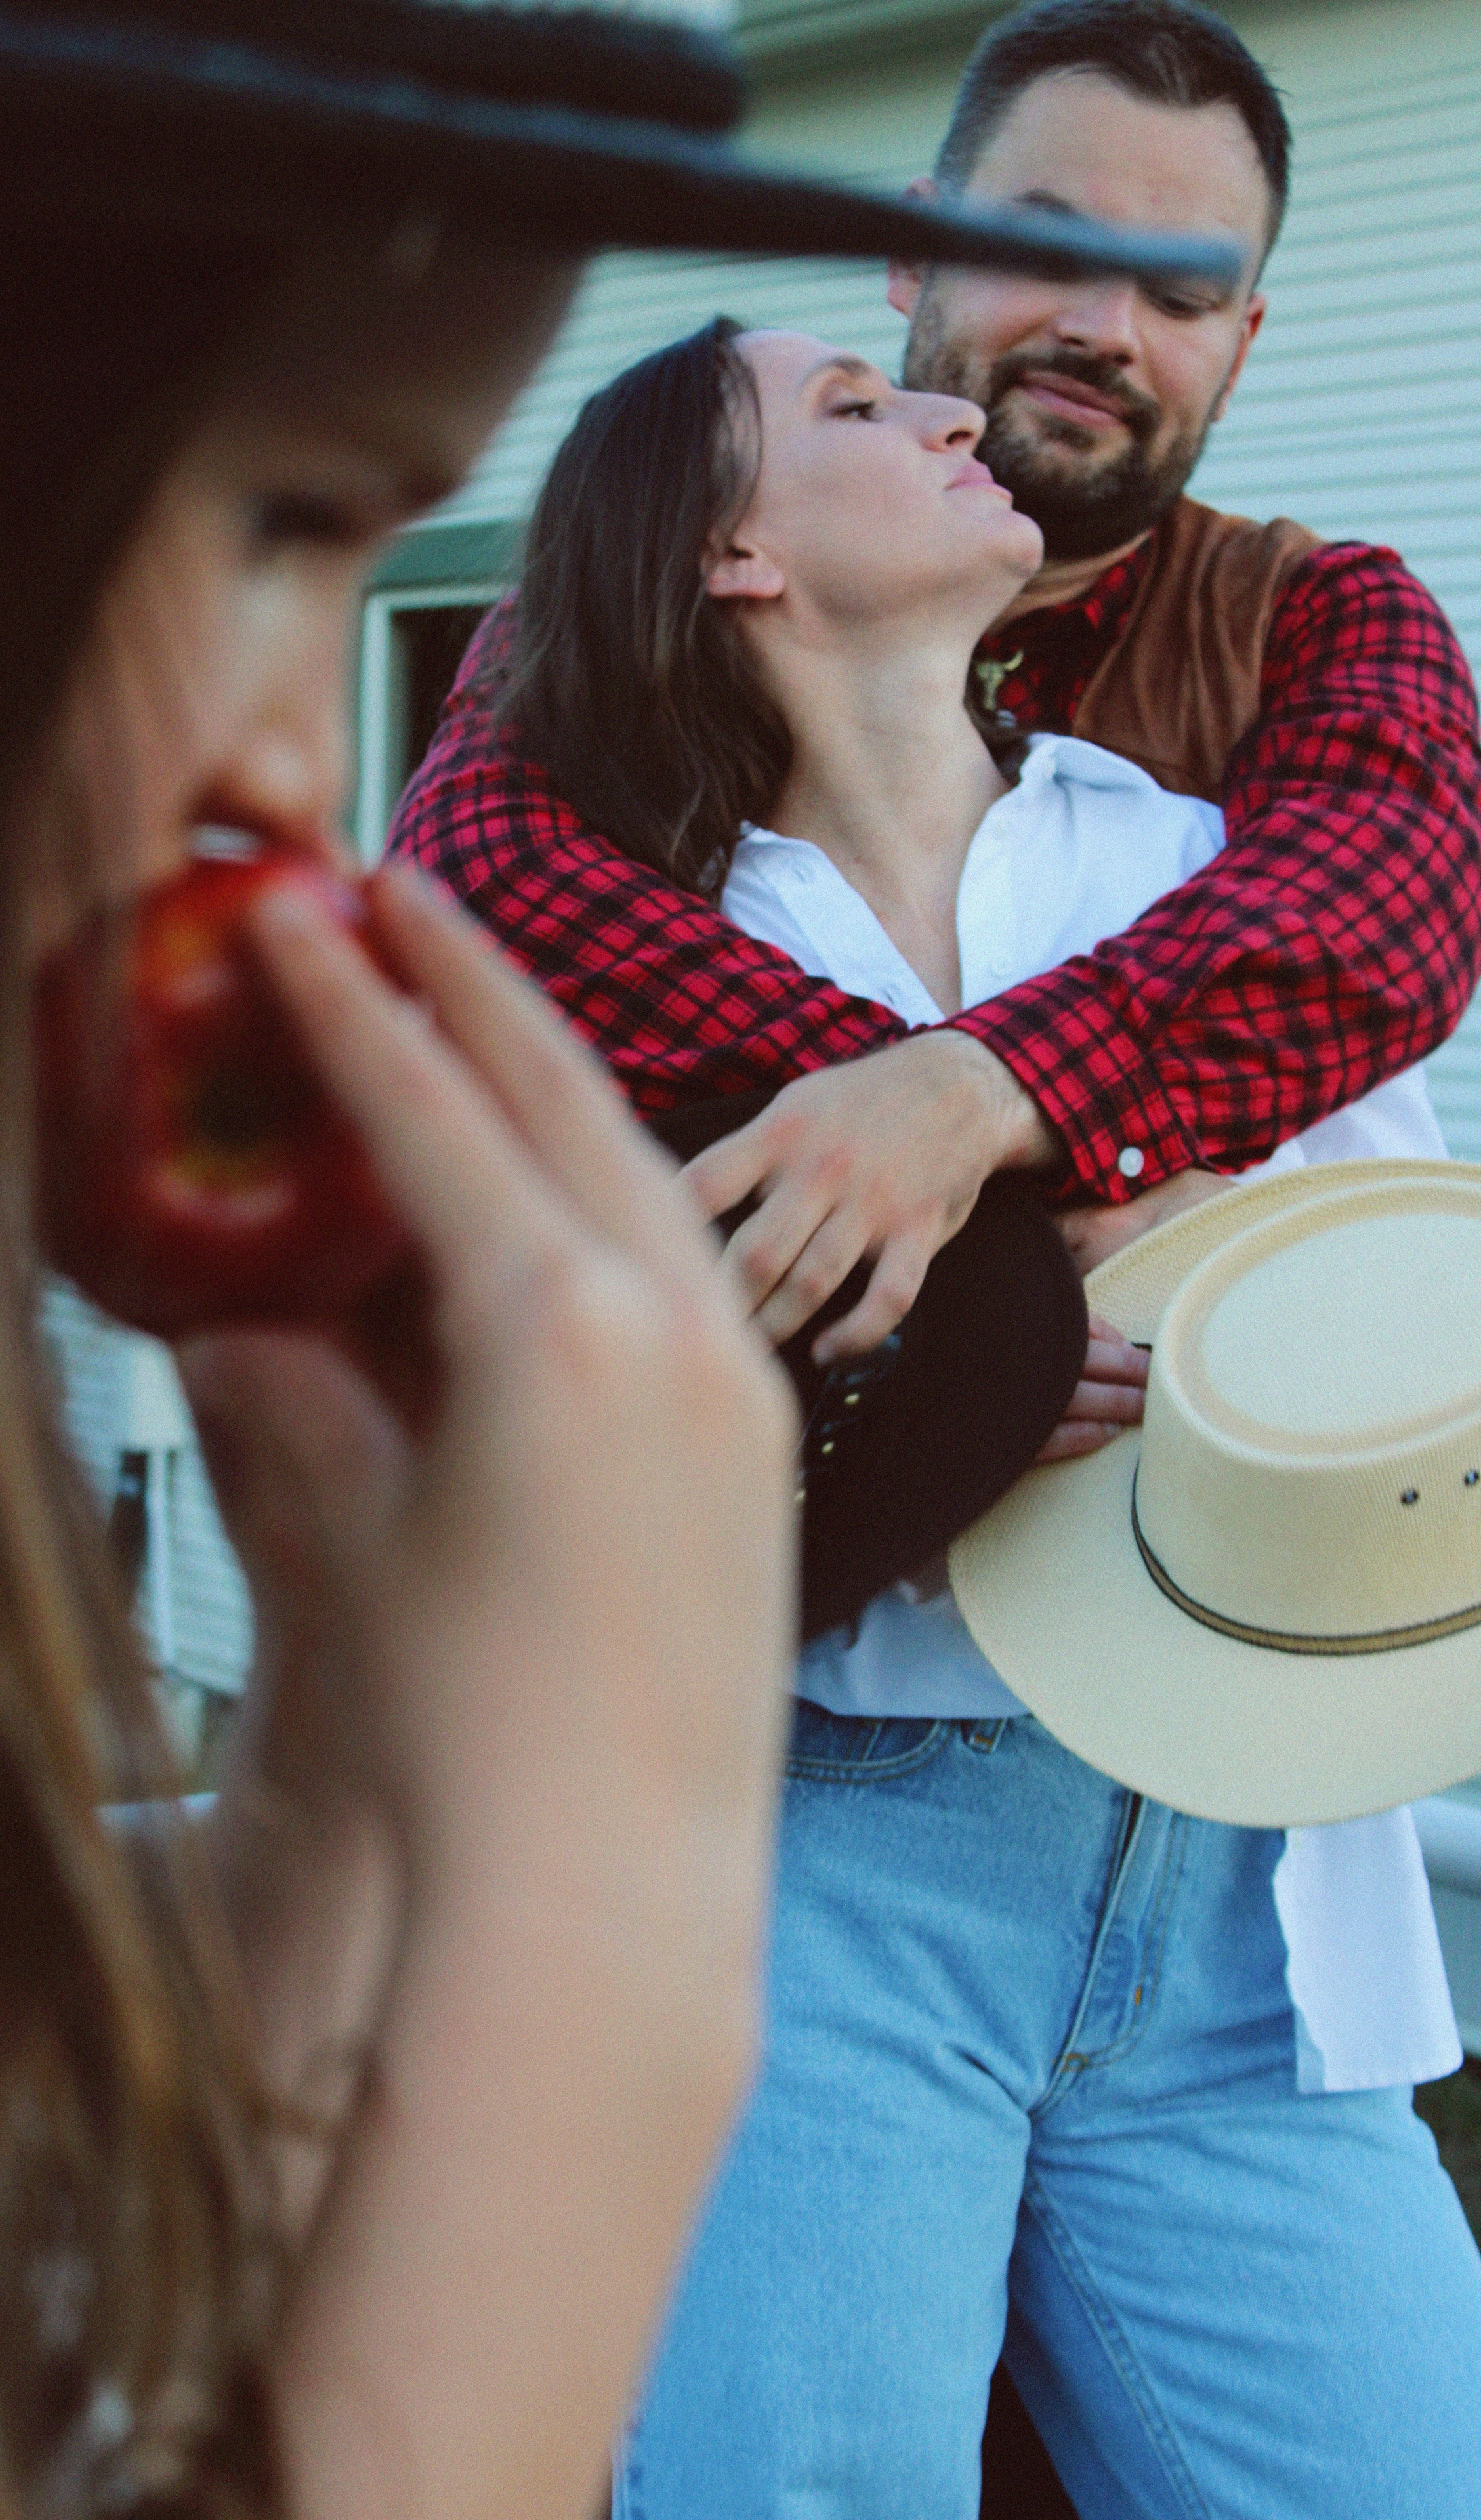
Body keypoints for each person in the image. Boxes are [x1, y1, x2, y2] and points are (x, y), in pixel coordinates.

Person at [0, 5, 1205, 2513]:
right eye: (288, 526)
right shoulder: (601, 897)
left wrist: (342, 1753)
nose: (289, 775)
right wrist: (603, 1910)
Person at [503, 313, 1481, 2519]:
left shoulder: (1206, 873)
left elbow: (1391, 1301)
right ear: (728, 550)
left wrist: (1085, 1269)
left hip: (1243, 1881)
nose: (951, 409)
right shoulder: (611, 954)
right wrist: (888, 1405)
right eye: (856, 407)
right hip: (809, 1859)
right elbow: (492, 1448)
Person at [390, 0, 1481, 1379]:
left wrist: (969, 1104)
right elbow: (484, 890)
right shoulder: (639, 591)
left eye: (1181, 295)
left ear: (1241, 342)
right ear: (913, 248)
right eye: (1044, 246)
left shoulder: (1310, 617)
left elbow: (1370, 922)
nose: (1104, 328)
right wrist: (991, 1228)